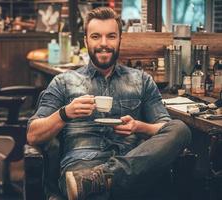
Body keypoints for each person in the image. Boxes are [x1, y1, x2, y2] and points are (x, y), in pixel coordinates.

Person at [27, 7, 191, 200]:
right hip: (81, 165)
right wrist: (65, 113)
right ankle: (100, 181)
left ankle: (105, 176)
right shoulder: (64, 82)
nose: (104, 43)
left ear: (120, 39)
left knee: (180, 129)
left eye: (111, 36)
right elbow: (33, 134)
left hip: (131, 168)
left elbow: (165, 129)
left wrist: (139, 126)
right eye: (96, 36)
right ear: (86, 40)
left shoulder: (142, 80)